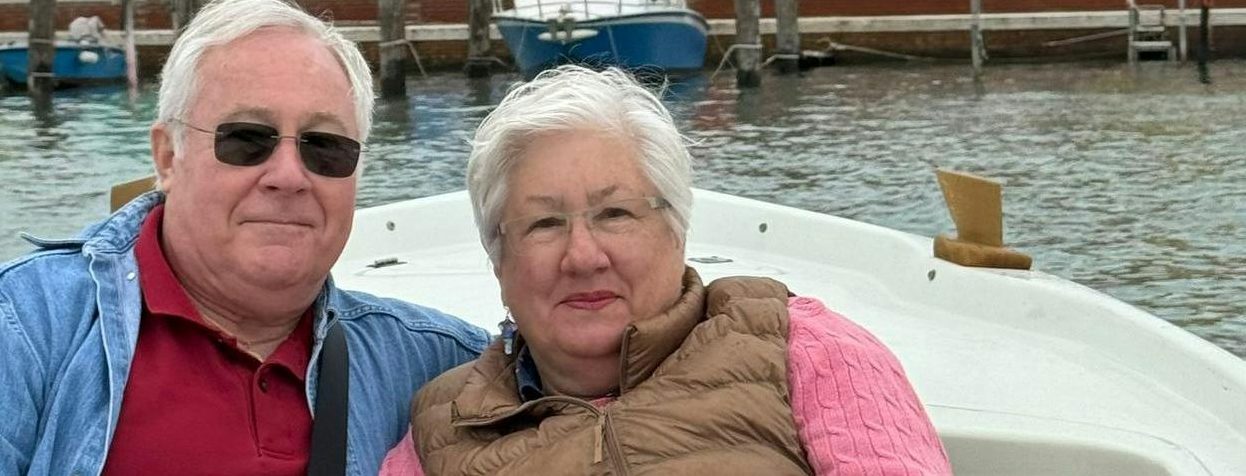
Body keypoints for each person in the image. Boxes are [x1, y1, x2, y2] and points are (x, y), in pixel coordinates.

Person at [0, 0, 488, 476]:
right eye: (248, 139)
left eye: (325, 147)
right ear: (167, 157)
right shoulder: (9, 336)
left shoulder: (435, 365)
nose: (289, 175)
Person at [381, 65, 951, 475]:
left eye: (616, 214)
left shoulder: (801, 348)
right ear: (498, 259)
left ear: (677, 231)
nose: (583, 256)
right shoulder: (442, 431)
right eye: (544, 224)